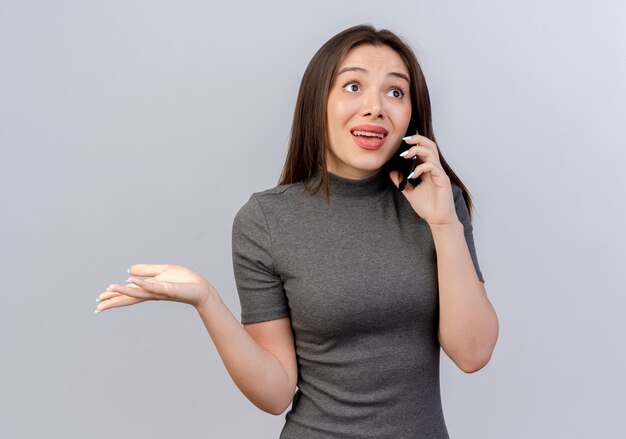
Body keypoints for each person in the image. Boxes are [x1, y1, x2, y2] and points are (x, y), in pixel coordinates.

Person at [95, 24, 499, 438]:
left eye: (395, 92)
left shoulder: (437, 204)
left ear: (412, 113)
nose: (376, 107)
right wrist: (207, 300)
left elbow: (472, 353)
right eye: (353, 86)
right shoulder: (266, 221)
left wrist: (445, 222)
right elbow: (275, 393)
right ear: (317, 102)